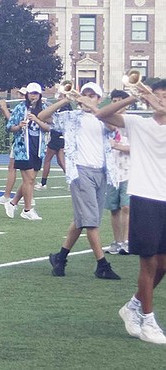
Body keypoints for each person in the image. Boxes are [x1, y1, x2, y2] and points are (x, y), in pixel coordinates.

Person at [96, 80, 166, 345]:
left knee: (163, 265)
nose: (160, 101)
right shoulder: (139, 123)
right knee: (148, 263)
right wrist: (133, 97)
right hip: (145, 197)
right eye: (157, 96)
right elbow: (102, 114)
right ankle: (148, 320)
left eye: (165, 97)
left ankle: (134, 305)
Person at [37, 82, 121, 280]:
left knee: (82, 219)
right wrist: (66, 98)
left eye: (92, 95)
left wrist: (92, 107)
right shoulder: (71, 117)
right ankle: (102, 265)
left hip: (101, 172)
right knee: (91, 221)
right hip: (80, 172)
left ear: (99, 100)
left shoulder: (104, 118)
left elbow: (112, 126)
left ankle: (60, 257)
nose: (87, 98)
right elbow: (42, 117)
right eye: (85, 94)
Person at [2, 83, 47, 221]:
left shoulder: (44, 109)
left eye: (36, 93)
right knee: (28, 179)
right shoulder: (20, 107)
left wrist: (37, 120)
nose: (33, 96)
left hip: (38, 148)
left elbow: (49, 127)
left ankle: (12, 202)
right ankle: (27, 209)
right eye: (31, 93)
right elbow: (9, 127)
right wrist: (19, 126)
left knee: (31, 180)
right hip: (23, 148)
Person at [102, 90, 131, 255]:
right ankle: (117, 241)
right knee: (114, 208)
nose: (116, 104)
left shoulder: (132, 123)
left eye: (119, 101)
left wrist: (117, 146)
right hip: (113, 171)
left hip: (129, 170)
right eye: (113, 101)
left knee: (126, 206)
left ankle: (127, 241)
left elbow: (137, 148)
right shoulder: (108, 122)